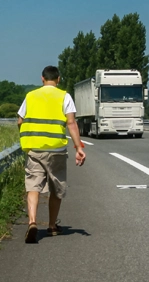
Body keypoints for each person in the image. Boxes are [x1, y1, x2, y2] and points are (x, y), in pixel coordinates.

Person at [17, 65, 86, 243]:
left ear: (42, 78)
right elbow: (71, 123)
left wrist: (29, 135)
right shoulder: (64, 96)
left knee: (33, 185)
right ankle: (52, 226)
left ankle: (32, 221)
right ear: (58, 79)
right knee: (56, 188)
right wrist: (78, 147)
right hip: (56, 150)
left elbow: (20, 120)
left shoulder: (30, 96)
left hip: (34, 149)